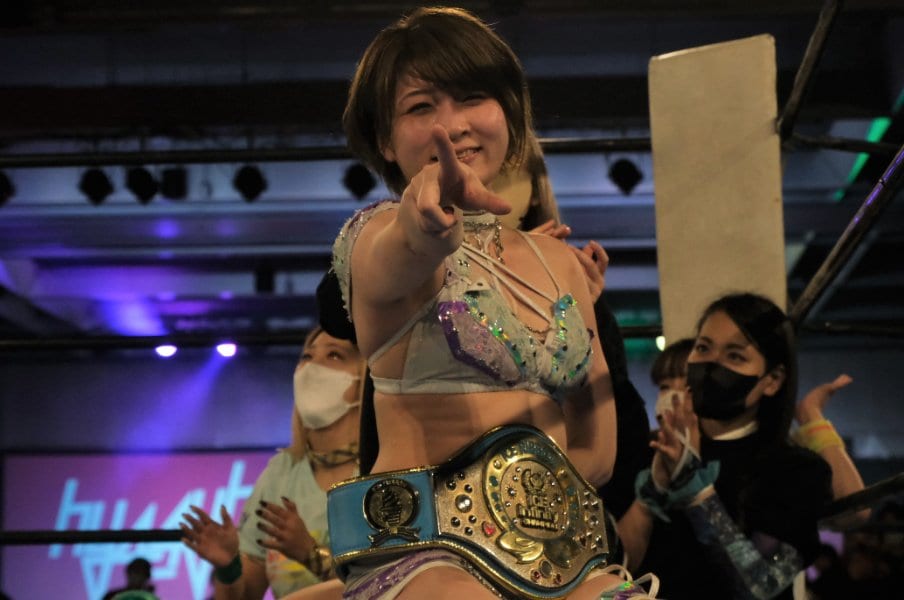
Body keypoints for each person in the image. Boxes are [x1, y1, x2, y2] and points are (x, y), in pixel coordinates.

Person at [326, 6, 656, 599]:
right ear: (384, 139)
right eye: (420, 107)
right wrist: (426, 221)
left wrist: (530, 521)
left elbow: (597, 442)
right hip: (423, 557)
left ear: (508, 109)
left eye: (471, 97)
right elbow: (401, 249)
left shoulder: (560, 262)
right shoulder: (377, 234)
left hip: (559, 560)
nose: (450, 126)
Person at [618, 292, 833, 599]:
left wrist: (693, 487)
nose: (711, 364)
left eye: (735, 356)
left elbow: (762, 586)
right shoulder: (654, 450)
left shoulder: (796, 470)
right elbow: (618, 570)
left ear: (772, 380)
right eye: (703, 348)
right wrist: (653, 490)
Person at [181, 327, 365, 599]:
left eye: (334, 355)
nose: (312, 367)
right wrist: (228, 567)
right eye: (306, 357)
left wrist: (310, 554)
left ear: (364, 378)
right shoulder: (281, 472)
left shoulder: (380, 469)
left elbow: (393, 584)